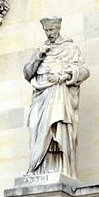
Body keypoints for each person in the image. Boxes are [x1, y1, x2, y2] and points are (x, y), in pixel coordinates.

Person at [23, 16, 89, 178]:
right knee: (34, 127)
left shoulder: (70, 48)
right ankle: (37, 166)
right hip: (40, 95)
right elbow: (27, 73)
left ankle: (58, 168)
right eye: (46, 31)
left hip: (58, 95)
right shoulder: (41, 50)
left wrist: (63, 76)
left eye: (51, 30)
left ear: (58, 29)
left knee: (55, 128)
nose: (49, 34)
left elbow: (83, 71)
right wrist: (38, 57)